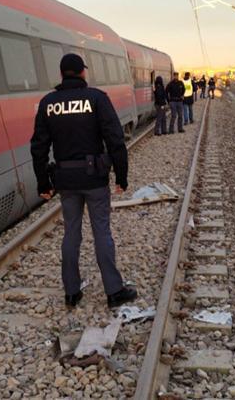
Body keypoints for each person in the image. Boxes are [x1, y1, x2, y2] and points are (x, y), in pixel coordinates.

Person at [30, 53, 138, 308]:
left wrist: (43, 183)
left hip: (66, 181)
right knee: (101, 231)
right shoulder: (96, 98)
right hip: (95, 179)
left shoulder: (48, 103)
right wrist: (121, 176)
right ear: (81, 73)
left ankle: (71, 291)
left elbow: (38, 147)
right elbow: (115, 140)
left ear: (61, 74)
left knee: (71, 233)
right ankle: (113, 291)